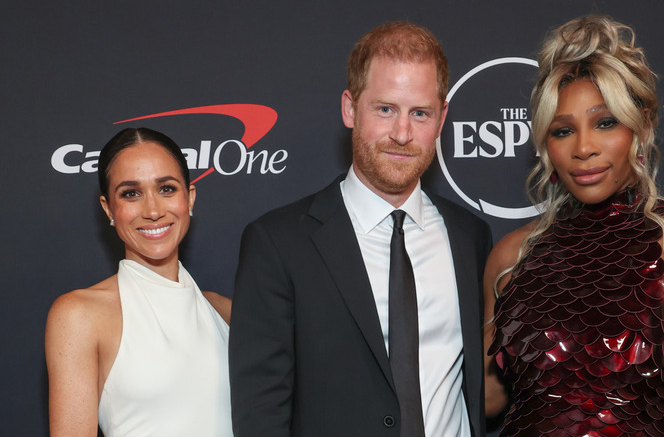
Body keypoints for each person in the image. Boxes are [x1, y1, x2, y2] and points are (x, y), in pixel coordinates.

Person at [229, 21, 492, 437]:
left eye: (419, 113)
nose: (402, 134)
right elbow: (261, 413)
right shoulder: (278, 243)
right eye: (385, 109)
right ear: (350, 109)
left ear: (442, 119)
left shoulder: (470, 237)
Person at [484, 15, 664, 437]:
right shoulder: (512, 256)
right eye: (563, 130)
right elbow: (488, 397)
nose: (584, 148)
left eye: (605, 123)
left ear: (639, 127)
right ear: (547, 146)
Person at [45, 128, 233, 436]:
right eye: (131, 193)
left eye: (167, 189)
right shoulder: (78, 315)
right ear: (108, 209)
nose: (153, 211)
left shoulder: (224, 311)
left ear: (190, 198)